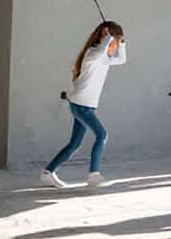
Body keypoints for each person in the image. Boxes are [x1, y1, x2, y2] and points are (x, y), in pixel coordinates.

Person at [41, 21, 126, 188]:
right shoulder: (93, 54)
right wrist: (107, 36)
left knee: (75, 143)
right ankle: (94, 175)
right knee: (102, 135)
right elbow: (101, 50)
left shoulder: (105, 59)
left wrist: (122, 43)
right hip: (82, 106)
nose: (115, 47)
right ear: (106, 37)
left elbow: (122, 60)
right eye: (115, 42)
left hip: (83, 105)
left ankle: (48, 172)